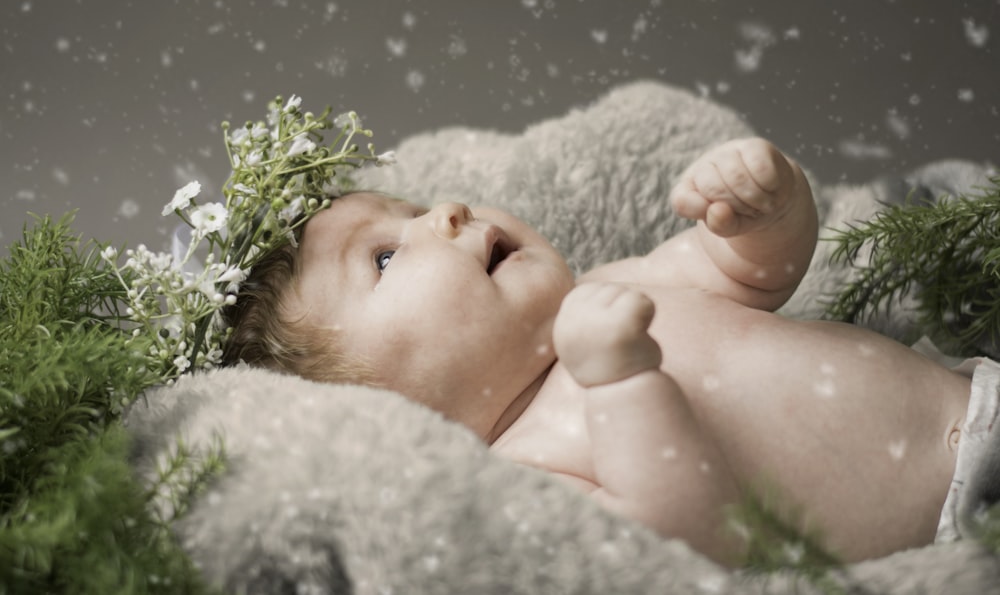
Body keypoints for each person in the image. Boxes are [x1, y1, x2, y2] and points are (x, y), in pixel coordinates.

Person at [221, 138, 992, 567]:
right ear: (379, 408)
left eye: (418, 209)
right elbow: (687, 537)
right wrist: (622, 379)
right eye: (384, 258)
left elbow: (749, 272)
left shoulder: (615, 282)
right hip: (958, 517)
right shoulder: (526, 468)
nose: (445, 213)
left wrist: (769, 208)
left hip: (974, 391)